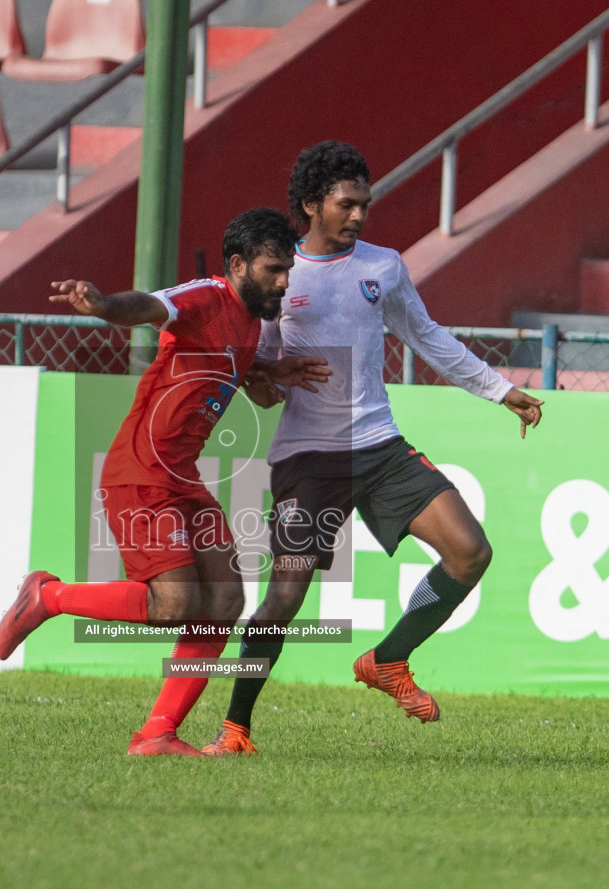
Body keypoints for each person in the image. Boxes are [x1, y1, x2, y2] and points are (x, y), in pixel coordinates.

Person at [201, 141, 545, 757]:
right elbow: (259, 381)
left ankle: (389, 660)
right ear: (311, 204)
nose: (359, 216)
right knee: (284, 598)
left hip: (379, 445)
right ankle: (235, 728)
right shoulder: (281, 274)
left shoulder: (382, 266)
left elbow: (427, 336)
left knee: (470, 553)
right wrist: (273, 374)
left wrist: (500, 391)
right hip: (307, 458)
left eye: (365, 204)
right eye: (346, 204)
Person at [0, 208, 330, 756]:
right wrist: (105, 306)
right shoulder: (208, 296)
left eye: (288, 268)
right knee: (174, 604)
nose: (284, 280)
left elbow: (224, 371)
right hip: (140, 474)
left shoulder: (252, 321)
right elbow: (152, 306)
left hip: (182, 476)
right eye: (273, 268)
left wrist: (265, 376)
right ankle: (47, 596)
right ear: (240, 264)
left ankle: (157, 734)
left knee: (223, 601)